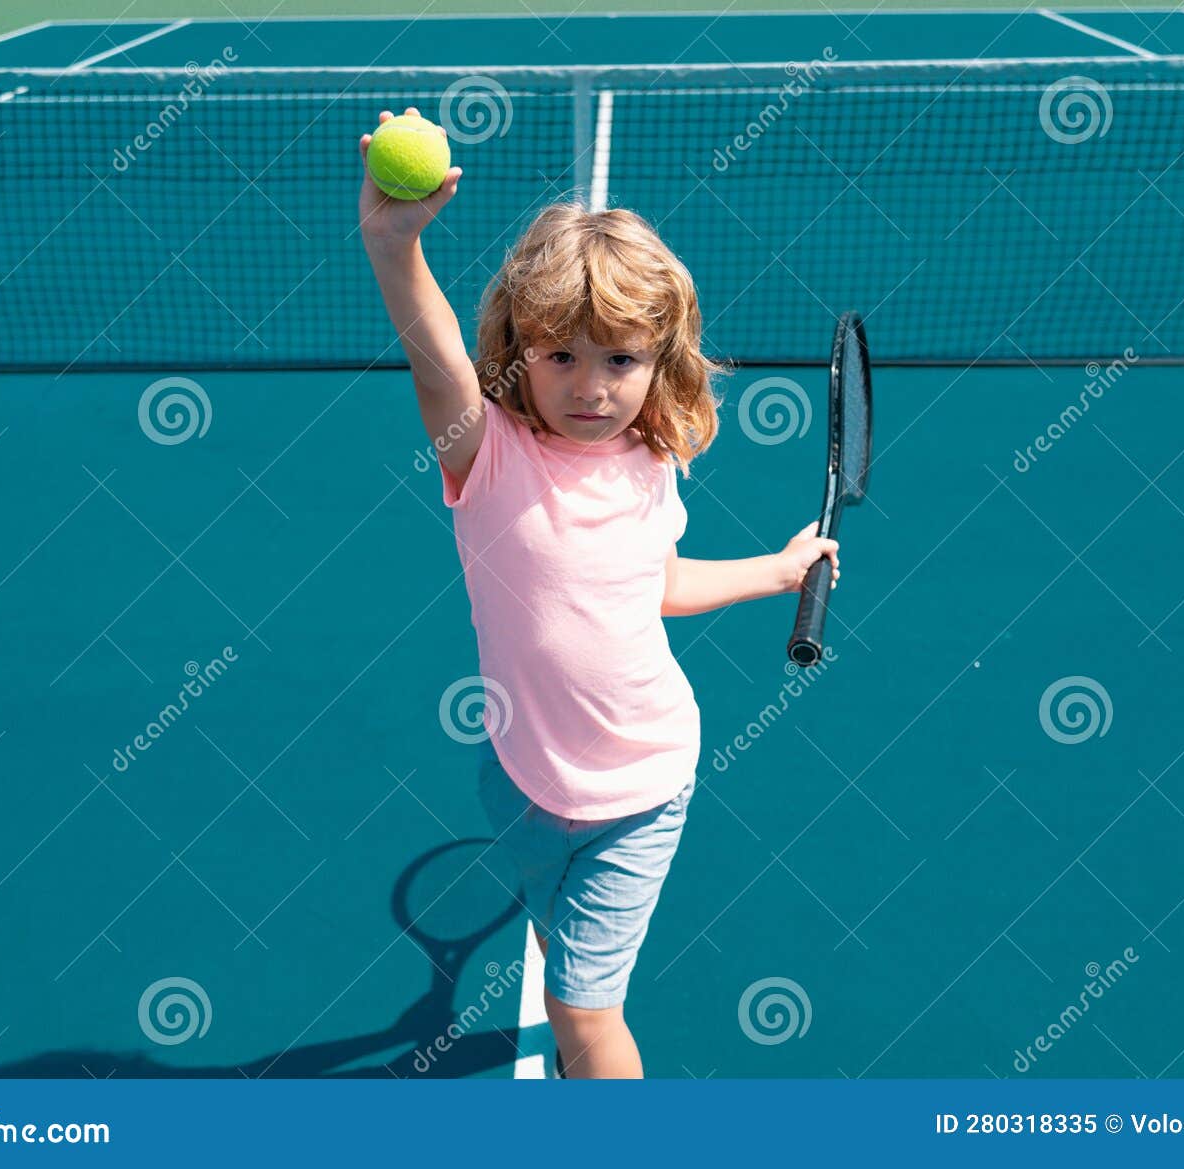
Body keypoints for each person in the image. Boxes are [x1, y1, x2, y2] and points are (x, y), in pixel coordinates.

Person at [360, 109, 840, 1078]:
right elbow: (436, 354)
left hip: (641, 784)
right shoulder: (484, 456)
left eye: (619, 359)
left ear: (657, 362)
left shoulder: (647, 460)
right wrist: (393, 240)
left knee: (584, 1015)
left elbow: (654, 583)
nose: (591, 386)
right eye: (561, 356)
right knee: (559, 957)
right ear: (518, 352)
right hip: (522, 780)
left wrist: (777, 570)